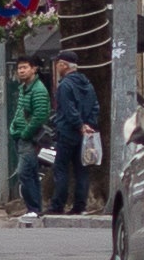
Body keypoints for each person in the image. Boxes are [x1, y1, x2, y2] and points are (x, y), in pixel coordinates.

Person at [48, 52, 100, 215]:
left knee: (61, 168)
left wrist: (79, 125)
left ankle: (58, 205)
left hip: (67, 132)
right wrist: (89, 125)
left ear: (64, 65)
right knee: (82, 169)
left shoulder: (65, 86)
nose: (56, 66)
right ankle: (80, 205)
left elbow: (68, 109)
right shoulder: (88, 84)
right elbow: (95, 106)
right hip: (85, 136)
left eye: (58, 63)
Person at [8, 57, 52, 220]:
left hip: (29, 138)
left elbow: (40, 115)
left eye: (25, 67)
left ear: (34, 69)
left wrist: (26, 133)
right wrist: (14, 127)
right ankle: (34, 207)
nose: (21, 71)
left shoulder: (38, 90)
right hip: (19, 135)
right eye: (19, 68)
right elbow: (21, 111)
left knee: (24, 172)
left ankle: (33, 207)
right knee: (31, 173)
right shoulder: (24, 88)